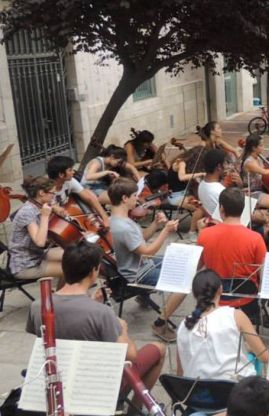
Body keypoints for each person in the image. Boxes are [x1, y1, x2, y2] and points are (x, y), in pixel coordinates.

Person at [26, 241, 166, 412]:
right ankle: (135, 410)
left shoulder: (37, 306)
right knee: (159, 349)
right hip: (93, 384)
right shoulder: (101, 313)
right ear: (94, 270)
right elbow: (131, 355)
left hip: (56, 378)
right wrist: (122, 329)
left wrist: (90, 305)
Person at [108, 177, 184, 341]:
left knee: (179, 261)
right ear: (124, 198)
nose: (138, 199)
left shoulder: (119, 219)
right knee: (183, 282)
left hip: (142, 265)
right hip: (138, 272)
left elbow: (140, 237)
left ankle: (144, 295)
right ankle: (160, 324)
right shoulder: (122, 226)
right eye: (135, 195)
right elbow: (147, 252)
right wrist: (166, 231)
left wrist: (156, 225)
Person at [197, 187, 269, 318]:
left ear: (221, 209)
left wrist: (201, 232)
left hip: (214, 300)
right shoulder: (256, 238)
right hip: (246, 301)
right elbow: (263, 275)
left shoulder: (204, 235)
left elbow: (198, 267)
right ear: (243, 209)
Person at [176, 269, 269, 381]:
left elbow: (180, 373)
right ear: (221, 289)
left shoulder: (183, 326)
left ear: (194, 294)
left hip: (197, 391)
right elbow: (264, 356)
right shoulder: (235, 315)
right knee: (254, 358)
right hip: (235, 391)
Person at [9, 176, 64, 281]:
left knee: (74, 255)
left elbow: (44, 238)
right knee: (74, 269)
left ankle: (63, 293)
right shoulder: (27, 212)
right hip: (26, 265)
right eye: (52, 193)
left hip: (37, 255)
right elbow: (40, 242)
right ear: (41, 193)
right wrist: (44, 217)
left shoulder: (38, 206)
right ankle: (62, 296)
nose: (54, 197)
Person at [47, 155, 110, 226]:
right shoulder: (46, 190)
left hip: (67, 216)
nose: (73, 172)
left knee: (89, 193)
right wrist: (53, 207)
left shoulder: (70, 181)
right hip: (52, 223)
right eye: (70, 170)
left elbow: (90, 198)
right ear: (61, 174)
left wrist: (104, 217)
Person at [239, 133, 269, 222]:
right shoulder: (249, 162)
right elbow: (264, 172)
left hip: (261, 189)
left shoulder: (257, 158)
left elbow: (264, 171)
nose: (263, 147)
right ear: (253, 148)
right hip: (252, 193)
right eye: (261, 145)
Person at [165, 145, 207, 237]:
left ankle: (201, 227)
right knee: (199, 208)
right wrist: (200, 174)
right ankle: (191, 232)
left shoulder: (187, 164)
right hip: (176, 197)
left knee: (204, 205)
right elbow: (181, 177)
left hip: (185, 195)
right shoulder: (181, 162)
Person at [197, 148, 229, 218]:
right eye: (226, 163)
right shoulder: (221, 191)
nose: (227, 166)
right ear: (219, 167)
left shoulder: (201, 184)